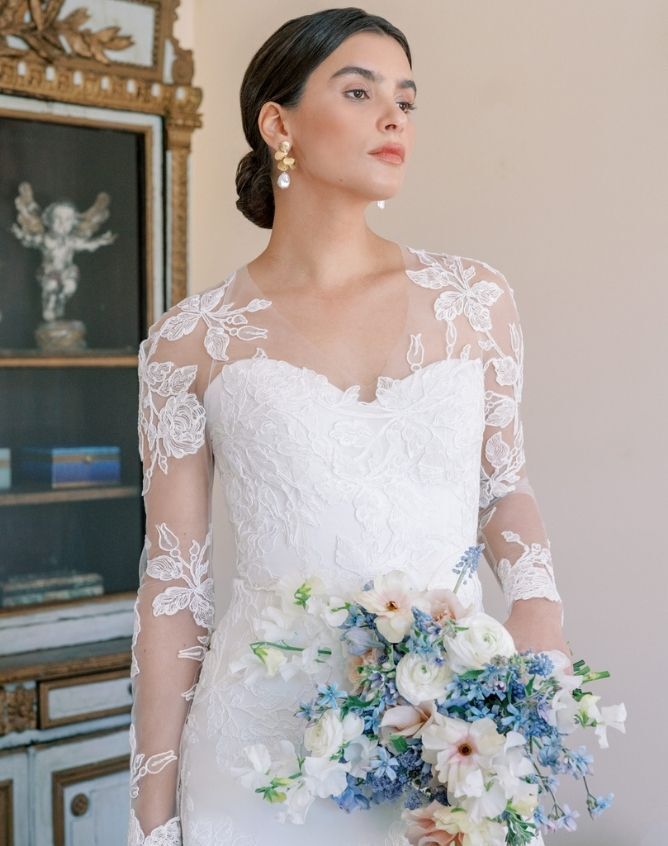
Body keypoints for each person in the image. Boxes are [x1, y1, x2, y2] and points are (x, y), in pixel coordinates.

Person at [127, 8, 572, 845]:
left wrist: (539, 619)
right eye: (359, 90)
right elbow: (174, 591)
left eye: (406, 97)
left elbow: (504, 487)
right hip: (257, 751)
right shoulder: (189, 340)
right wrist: (154, 818)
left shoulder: (474, 301)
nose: (393, 115)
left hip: (445, 735)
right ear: (277, 123)